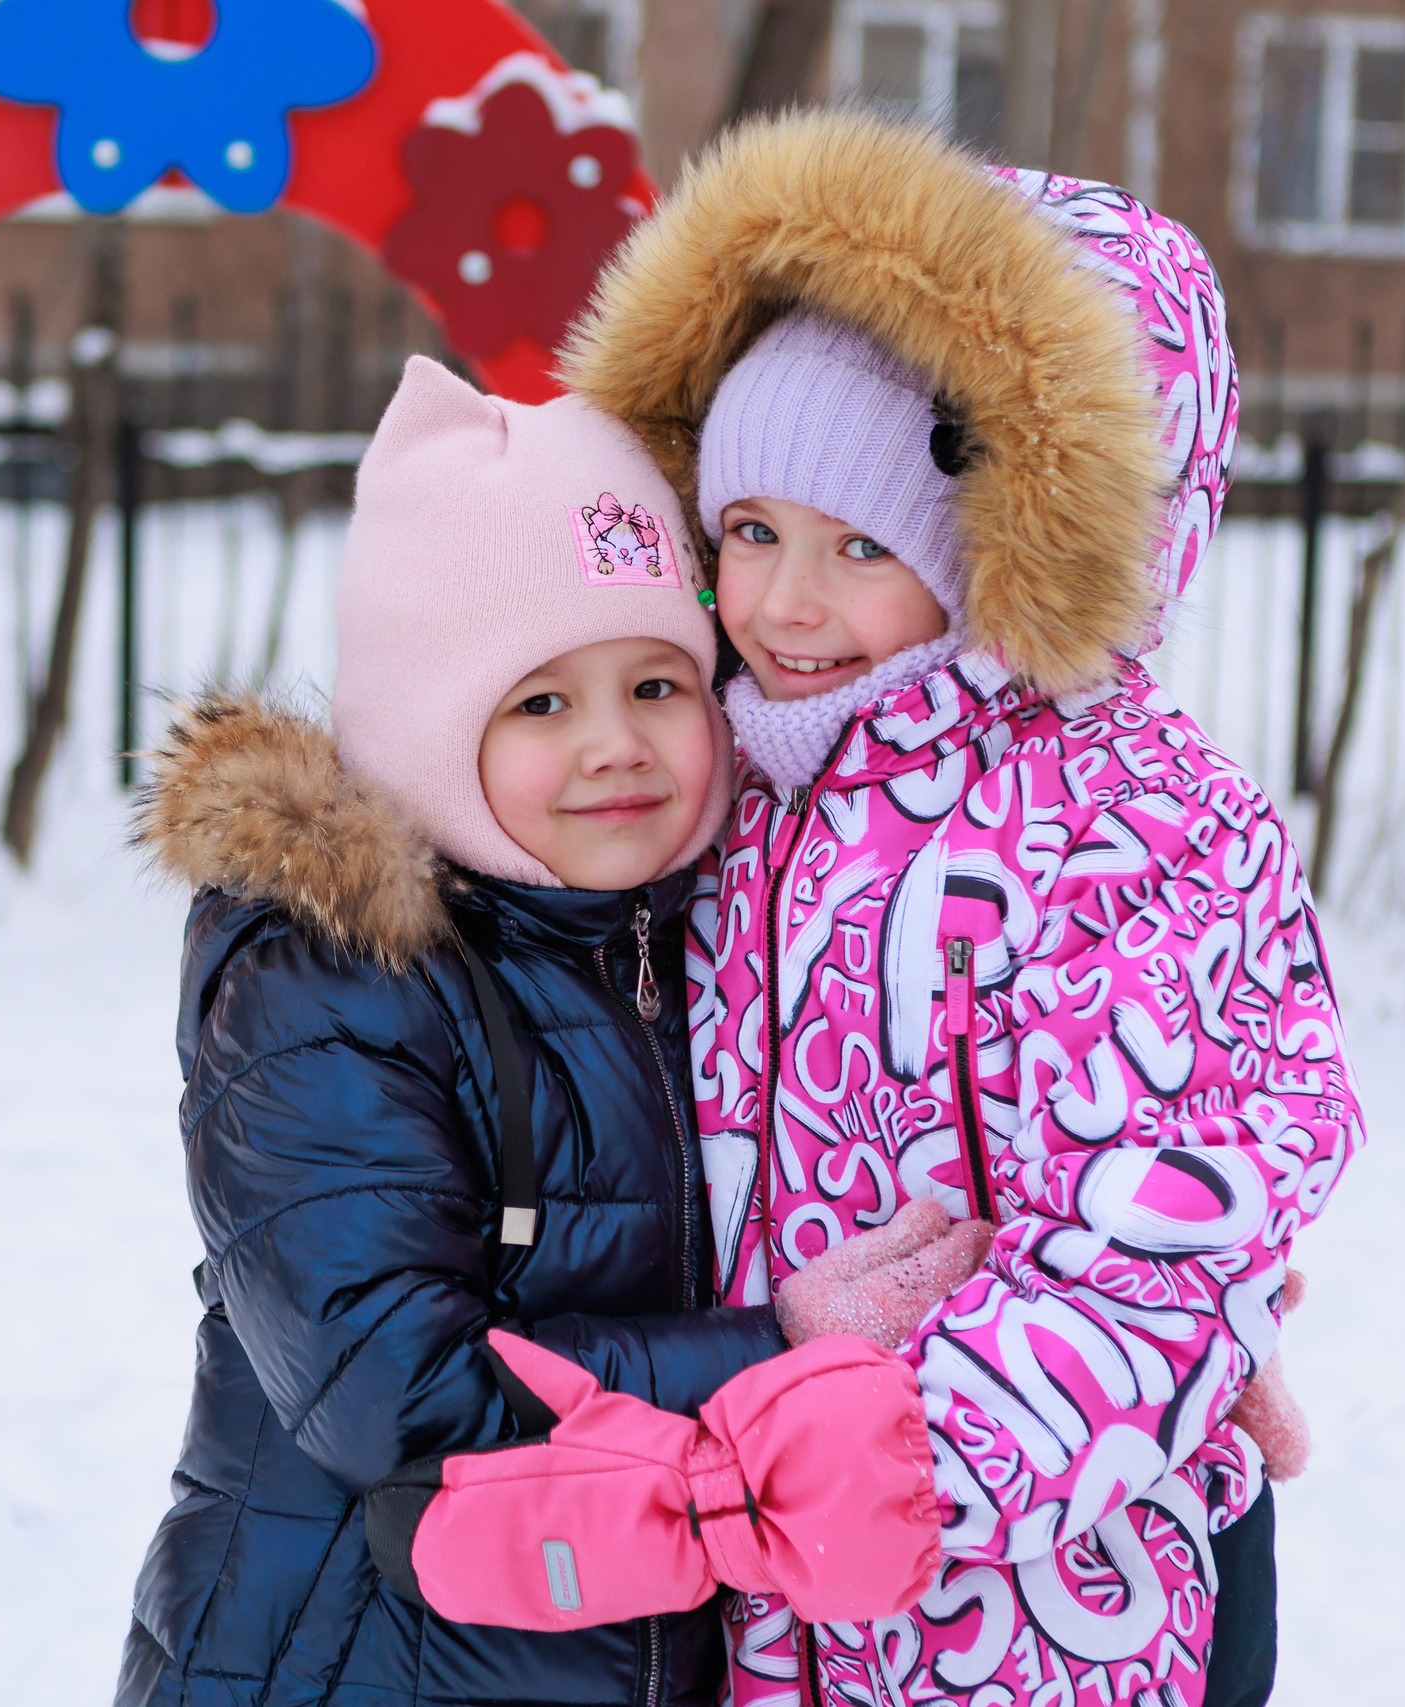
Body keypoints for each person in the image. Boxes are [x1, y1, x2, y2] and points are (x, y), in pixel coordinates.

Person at [371, 112, 1356, 1707]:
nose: (784, 604)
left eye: (863, 546)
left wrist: (915, 1468)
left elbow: (1156, 1241)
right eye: (749, 533)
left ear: (1007, 549)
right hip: (765, 1616)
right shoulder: (746, 788)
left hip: (1038, 1616)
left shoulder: (1126, 830)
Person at [113, 352, 985, 1707]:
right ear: (424, 728)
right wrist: (784, 1344)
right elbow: (389, 1389)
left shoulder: (705, 931)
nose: (615, 747)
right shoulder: (331, 980)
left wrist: (1132, 1283)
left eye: (656, 686)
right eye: (540, 703)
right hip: (347, 1665)